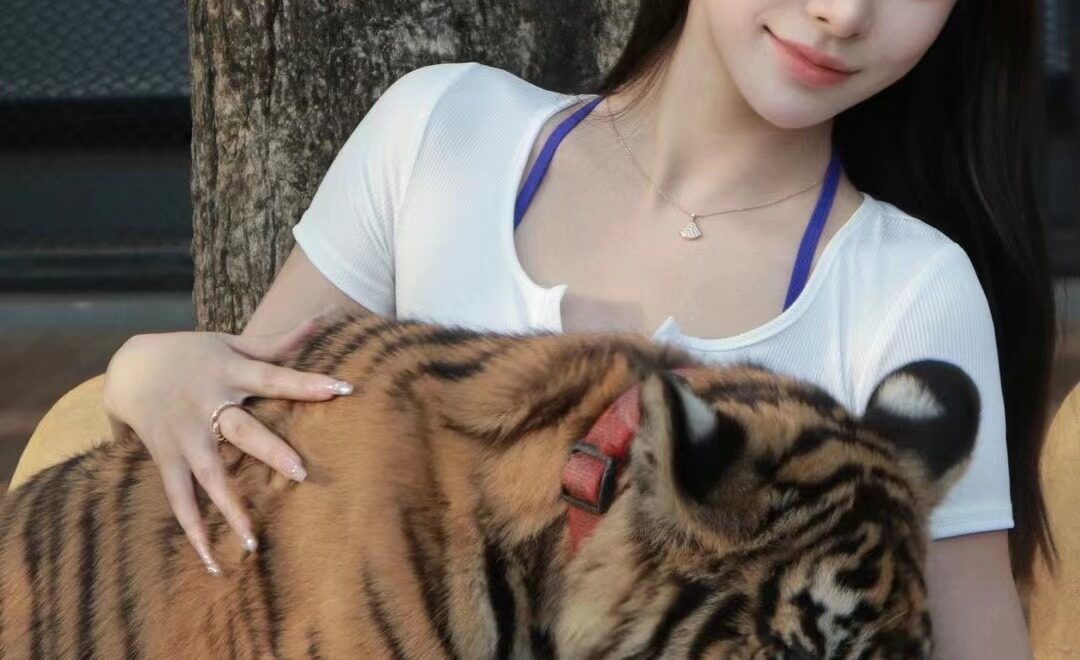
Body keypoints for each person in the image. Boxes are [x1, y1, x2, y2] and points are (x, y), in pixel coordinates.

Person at [102, 0, 1054, 656]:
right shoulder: (439, 135)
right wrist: (144, 376)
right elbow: (240, 495)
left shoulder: (912, 287)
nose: (843, 13)